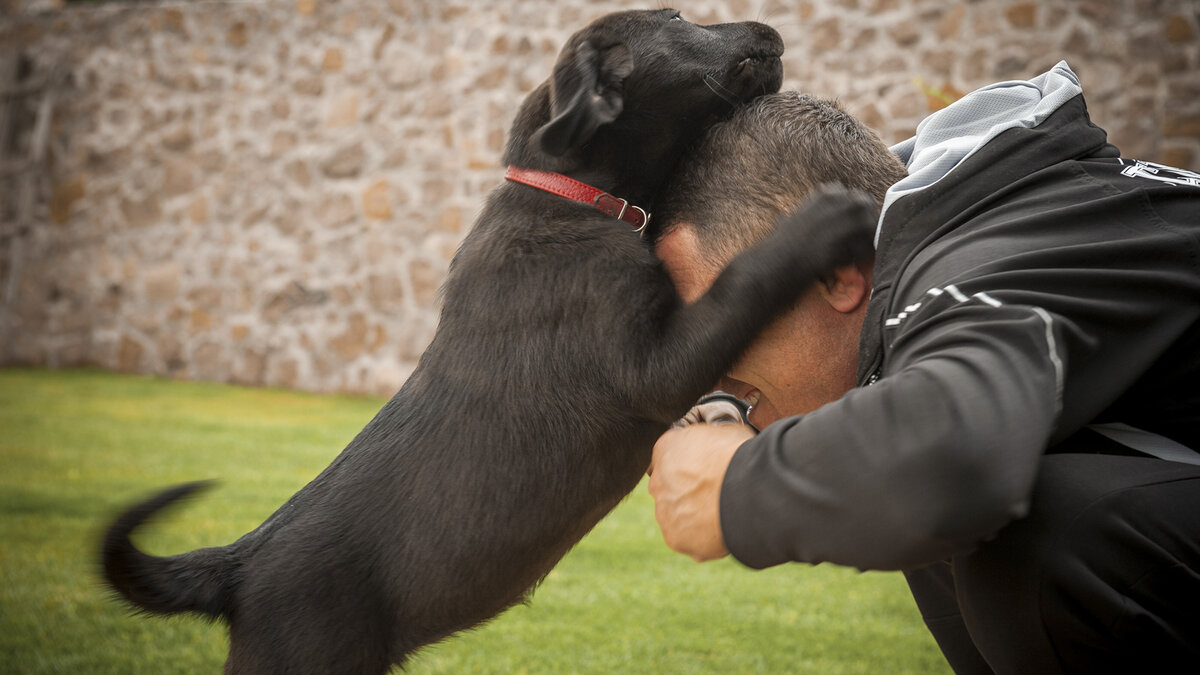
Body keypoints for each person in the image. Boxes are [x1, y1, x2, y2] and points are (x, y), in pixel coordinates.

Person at [646, 62, 1200, 673]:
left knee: (1025, 525)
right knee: (914, 482)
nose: (705, 372)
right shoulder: (960, 237)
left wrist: (738, 486)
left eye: (720, 323)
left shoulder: (993, 253)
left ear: (835, 274)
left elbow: (957, 463)